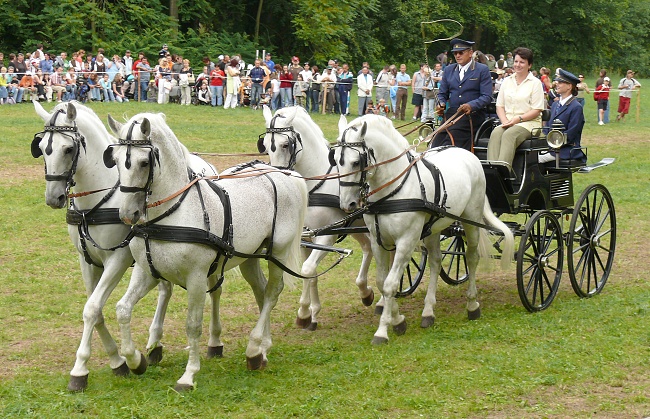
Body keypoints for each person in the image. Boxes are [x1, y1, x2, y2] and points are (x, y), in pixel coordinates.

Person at [486, 47, 545, 165]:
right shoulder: (507, 81)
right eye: (516, 61)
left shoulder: (535, 83)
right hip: (507, 122)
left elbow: (536, 110)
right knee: (496, 133)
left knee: (509, 134)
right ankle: (491, 170)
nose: (518, 65)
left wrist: (517, 119)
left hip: (529, 124)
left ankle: (503, 173)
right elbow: (500, 106)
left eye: (522, 62)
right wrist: (504, 121)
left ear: (529, 65)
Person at [432, 38, 493, 151]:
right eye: (455, 53)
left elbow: (487, 96)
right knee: (436, 140)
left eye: (461, 52)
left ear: (470, 53)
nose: (457, 55)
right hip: (452, 114)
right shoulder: (449, 70)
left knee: (451, 139)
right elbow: (442, 94)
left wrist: (471, 105)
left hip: (473, 115)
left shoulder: (482, 70)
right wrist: (441, 103)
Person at [538, 69, 586, 164]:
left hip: (566, 150)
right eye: (557, 81)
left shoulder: (576, 107)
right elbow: (547, 128)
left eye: (560, 82)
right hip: (551, 148)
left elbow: (571, 134)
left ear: (569, 86)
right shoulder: (555, 104)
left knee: (535, 160)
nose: (557, 84)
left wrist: (552, 144)